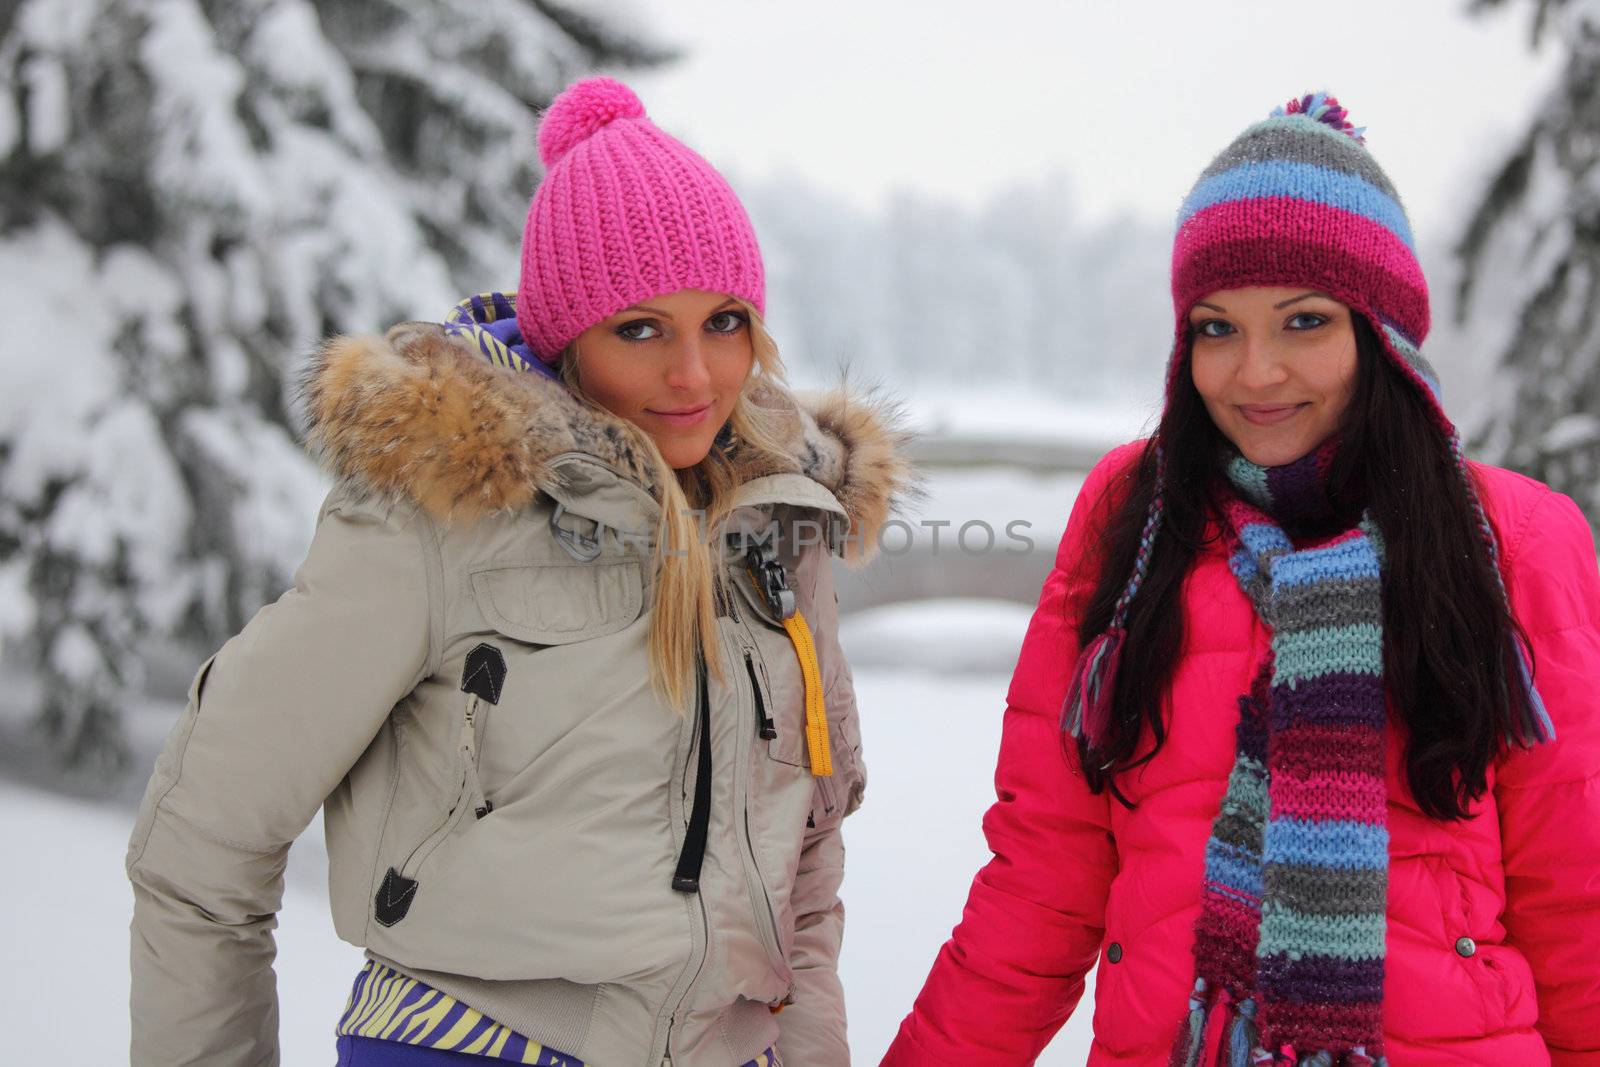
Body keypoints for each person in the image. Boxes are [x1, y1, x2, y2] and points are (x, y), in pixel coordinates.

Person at [127, 76, 912, 1067]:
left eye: (723, 321)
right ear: (567, 337)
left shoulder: (778, 525)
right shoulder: (446, 511)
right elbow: (204, 836)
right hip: (471, 1043)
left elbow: (805, 862)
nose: (695, 375)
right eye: (640, 327)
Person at [881, 93, 1600, 1065]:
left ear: (1380, 333)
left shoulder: (1509, 541)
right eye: (1217, 327)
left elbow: (1576, 903)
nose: (1254, 371)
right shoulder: (1133, 522)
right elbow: (1040, 883)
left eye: (1302, 321)